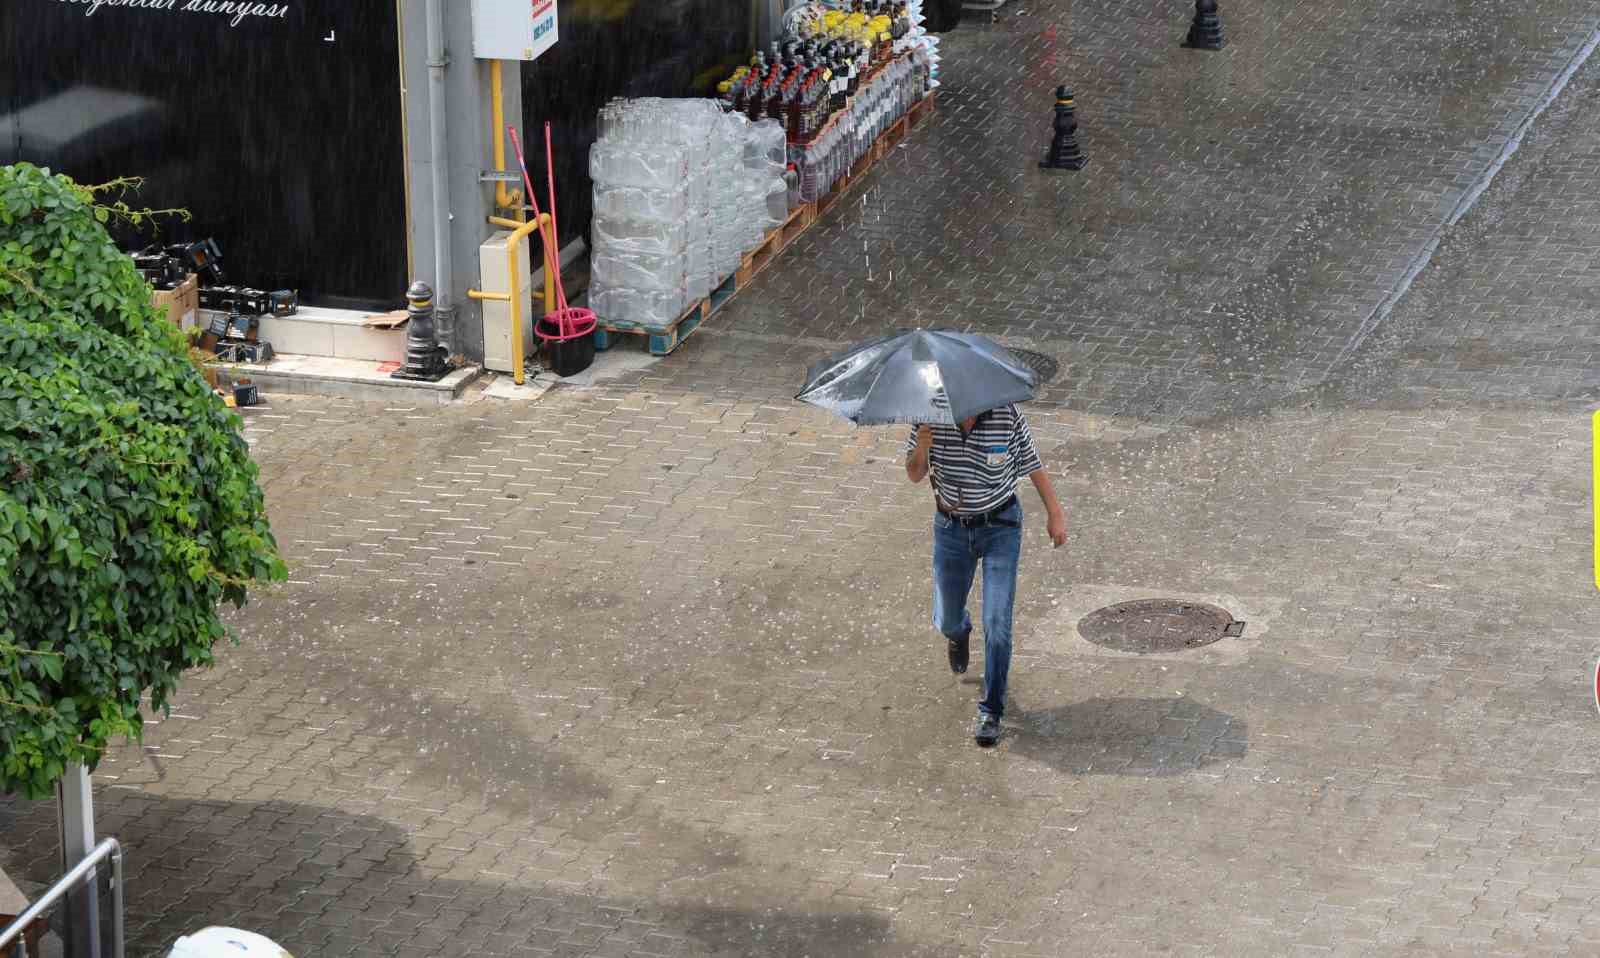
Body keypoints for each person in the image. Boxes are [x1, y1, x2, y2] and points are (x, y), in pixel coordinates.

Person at [905, 404, 1067, 746]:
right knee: (946, 617)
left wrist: (1055, 514)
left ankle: (991, 710)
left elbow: (1032, 464)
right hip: (951, 529)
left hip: (1001, 528)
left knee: (997, 624)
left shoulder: (1006, 416)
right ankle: (958, 632)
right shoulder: (929, 416)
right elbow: (914, 474)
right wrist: (922, 446)